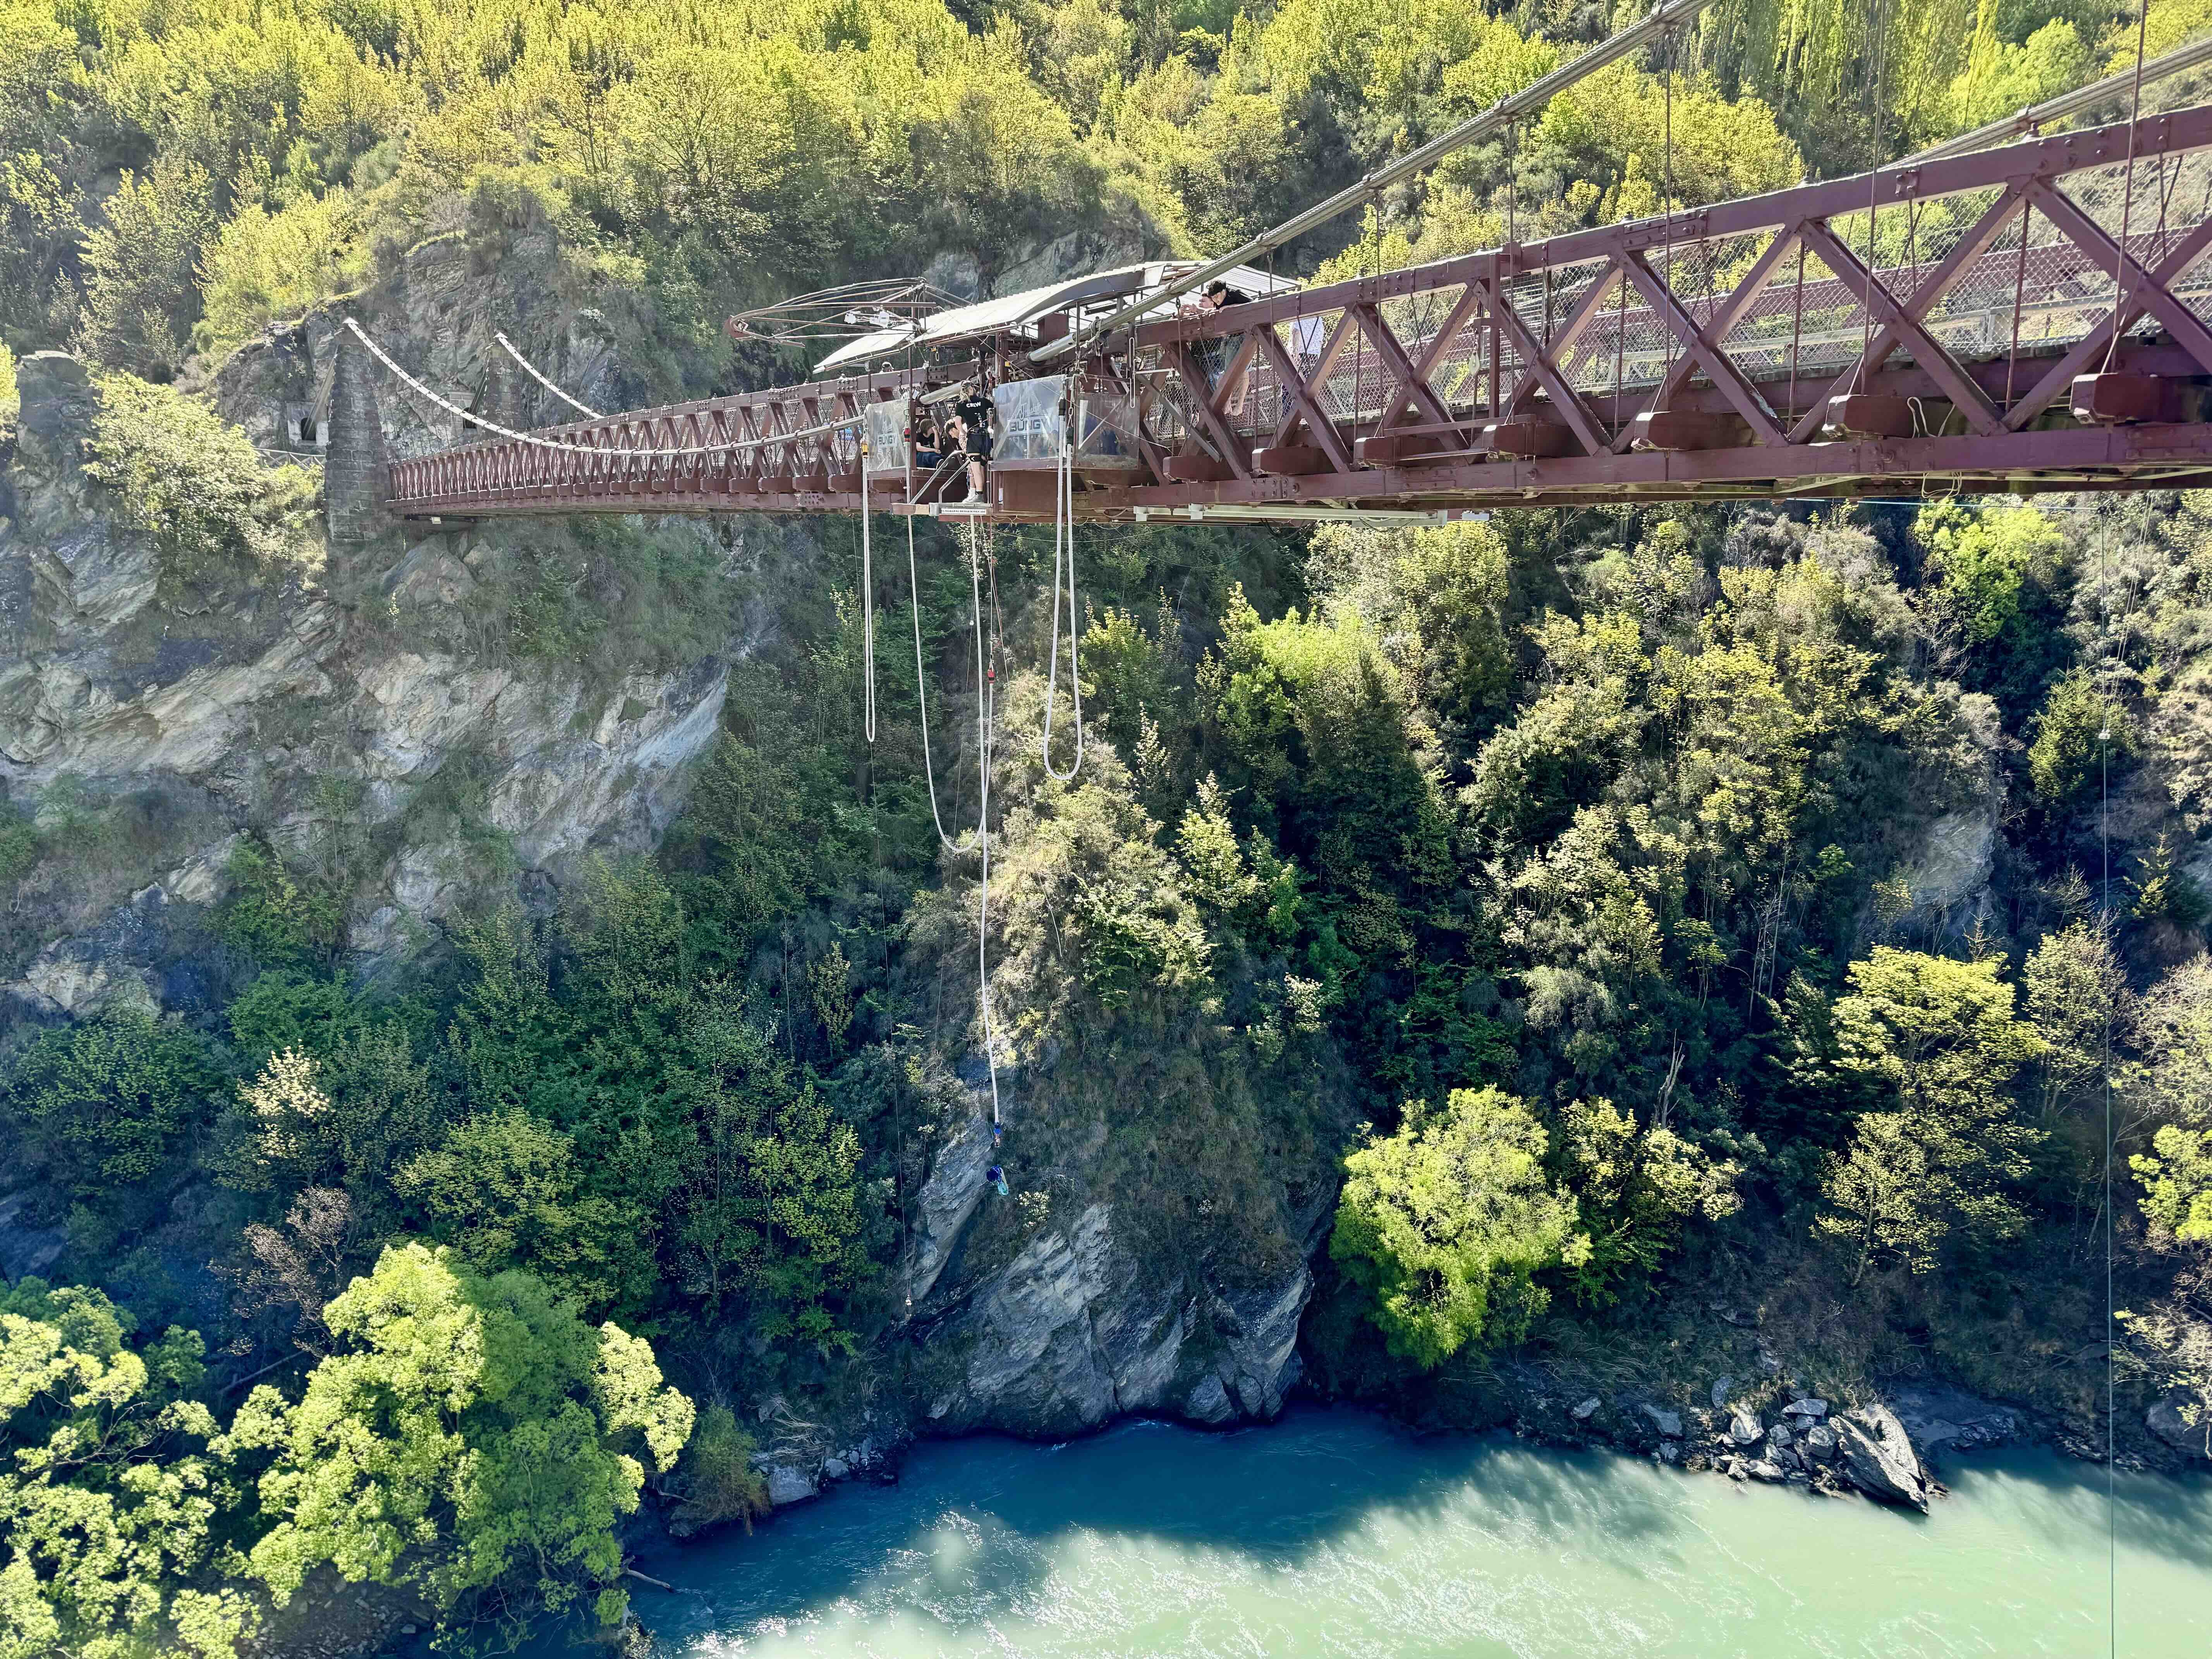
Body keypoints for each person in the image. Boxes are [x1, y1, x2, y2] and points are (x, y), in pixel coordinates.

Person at [955, 382, 995, 498]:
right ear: (972, 389)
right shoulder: (983, 401)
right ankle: (986, 494)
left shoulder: (961, 405)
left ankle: (979, 495)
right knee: (982, 466)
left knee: (976, 469)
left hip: (974, 437)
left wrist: (964, 433)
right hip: (986, 437)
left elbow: (958, 423)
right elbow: (995, 408)